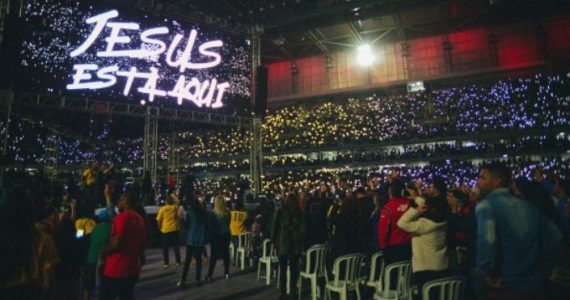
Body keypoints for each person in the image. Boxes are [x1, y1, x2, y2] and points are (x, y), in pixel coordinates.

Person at [475, 163, 562, 300]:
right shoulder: (528, 206)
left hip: (505, 285)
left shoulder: (487, 206)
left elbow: (487, 241)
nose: (477, 182)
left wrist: (487, 273)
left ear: (496, 182)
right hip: (534, 284)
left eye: (482, 178)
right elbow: (555, 237)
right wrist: (542, 269)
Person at [397, 196, 449, 298]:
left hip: (426, 269)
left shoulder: (424, 225)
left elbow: (401, 223)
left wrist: (416, 210)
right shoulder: (443, 223)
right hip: (441, 265)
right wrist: (418, 199)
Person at [99, 193, 147, 300]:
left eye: (120, 200)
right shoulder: (139, 218)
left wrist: (104, 251)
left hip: (116, 268)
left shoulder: (122, 217)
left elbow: (116, 243)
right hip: (132, 268)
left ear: (125, 202)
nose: (118, 203)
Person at [272, 194, 306, 299]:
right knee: (294, 269)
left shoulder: (281, 212)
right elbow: (303, 231)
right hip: (295, 244)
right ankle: (293, 290)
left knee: (282, 269)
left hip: (283, 242)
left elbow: (275, 227)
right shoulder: (300, 213)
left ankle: (283, 291)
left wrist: (273, 241)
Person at [378, 179, 412, 265]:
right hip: (410, 246)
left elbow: (383, 231)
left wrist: (383, 246)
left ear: (390, 192)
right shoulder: (411, 205)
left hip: (393, 248)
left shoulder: (388, 208)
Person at [178, 197, 208, 288]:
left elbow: (187, 227)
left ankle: (183, 279)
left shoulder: (190, 214)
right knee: (198, 260)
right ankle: (198, 280)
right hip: (200, 239)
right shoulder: (203, 213)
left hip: (191, 239)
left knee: (188, 260)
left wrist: (181, 219)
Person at [83, 210, 112, 300]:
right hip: (104, 259)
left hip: (91, 257)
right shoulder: (111, 227)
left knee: (88, 286)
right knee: (104, 286)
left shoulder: (94, 228)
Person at [205, 195, 231, 282]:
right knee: (226, 254)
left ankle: (210, 274)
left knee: (213, 256)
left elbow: (210, 226)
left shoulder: (213, 213)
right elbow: (229, 222)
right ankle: (227, 273)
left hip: (216, 236)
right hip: (226, 235)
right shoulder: (228, 212)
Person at [156, 194, 181, 268]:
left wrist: (159, 227)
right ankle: (178, 262)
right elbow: (178, 203)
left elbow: (158, 220)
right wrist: (174, 196)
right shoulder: (175, 207)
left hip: (165, 230)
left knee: (165, 247)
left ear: (166, 202)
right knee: (176, 246)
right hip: (174, 229)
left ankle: (166, 263)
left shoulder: (162, 209)